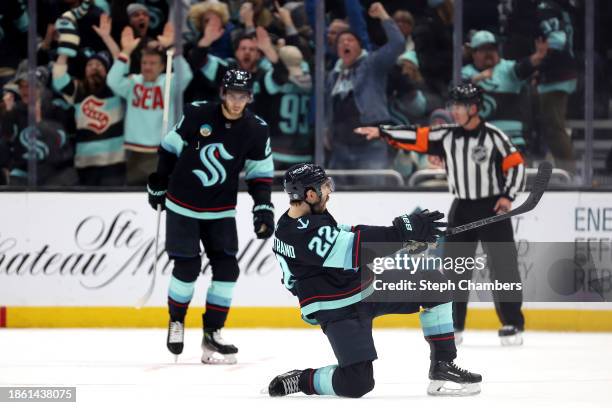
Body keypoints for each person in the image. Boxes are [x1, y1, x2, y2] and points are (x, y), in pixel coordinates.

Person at [267, 163, 481, 398]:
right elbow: (354, 248)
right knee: (357, 383)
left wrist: (405, 239)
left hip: (365, 288)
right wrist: (401, 233)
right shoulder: (295, 233)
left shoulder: (310, 217)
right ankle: (302, 379)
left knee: (434, 283)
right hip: (337, 308)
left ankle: (443, 366)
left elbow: (349, 232)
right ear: (310, 194)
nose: (329, 192)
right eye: (325, 187)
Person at [355, 83, 527, 346]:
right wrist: (382, 131)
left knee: (503, 267)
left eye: (459, 106)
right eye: (453, 106)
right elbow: (415, 136)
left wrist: (508, 196)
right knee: (455, 269)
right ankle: (455, 324)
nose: (454, 111)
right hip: (463, 208)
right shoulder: (446, 136)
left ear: (473, 108)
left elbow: (515, 166)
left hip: (493, 207)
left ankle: (512, 323)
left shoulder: (494, 136)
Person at [146, 69, 275, 364]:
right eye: (232, 94)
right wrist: (158, 180)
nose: (236, 101)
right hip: (182, 204)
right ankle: (177, 320)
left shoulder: (256, 129)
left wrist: (263, 207)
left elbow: (260, 173)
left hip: (220, 209)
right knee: (188, 266)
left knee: (228, 270)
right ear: (223, 93)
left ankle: (212, 333)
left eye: (242, 95)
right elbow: (169, 148)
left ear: (249, 97)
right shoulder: (196, 114)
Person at [325, 2, 404, 186]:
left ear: (360, 47)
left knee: (373, 194)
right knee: (333, 200)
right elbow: (328, 106)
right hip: (340, 147)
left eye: (350, 40)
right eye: (341, 42)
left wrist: (384, 16)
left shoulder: (371, 65)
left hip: (370, 145)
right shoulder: (333, 75)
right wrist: (325, 130)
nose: (345, 43)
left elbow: (398, 43)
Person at [107, 25, 192, 185]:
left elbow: (186, 75)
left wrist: (171, 48)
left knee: (163, 195)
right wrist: (125, 52)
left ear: (162, 66)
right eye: (144, 63)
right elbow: (112, 80)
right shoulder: (133, 82)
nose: (147, 67)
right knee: (135, 193)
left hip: (163, 148)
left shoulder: (169, 82)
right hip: (135, 149)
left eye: (153, 63)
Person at [462, 30, 548, 150]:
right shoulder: (466, 73)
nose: (489, 53)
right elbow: (457, 95)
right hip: (479, 140)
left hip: (512, 139)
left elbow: (522, 68)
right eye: (483, 49)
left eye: (492, 49)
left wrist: (536, 57)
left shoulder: (507, 68)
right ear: (473, 53)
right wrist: (476, 80)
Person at [52, 50, 126, 186]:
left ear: (107, 71)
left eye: (99, 65)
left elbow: (121, 66)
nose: (94, 68)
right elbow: (58, 78)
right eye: (90, 65)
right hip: (86, 163)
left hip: (113, 163)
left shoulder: (115, 89)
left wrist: (107, 38)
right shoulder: (78, 90)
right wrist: (65, 50)